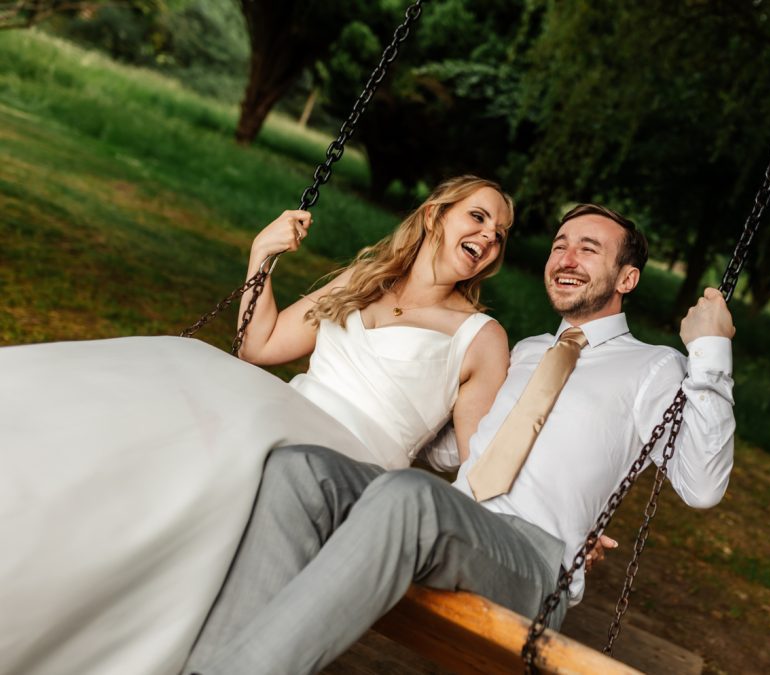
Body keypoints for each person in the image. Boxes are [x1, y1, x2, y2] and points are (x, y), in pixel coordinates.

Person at [184, 203, 737, 675]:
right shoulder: (522, 353)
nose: (565, 259)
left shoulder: (655, 368)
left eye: (589, 249)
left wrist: (710, 352)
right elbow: (449, 444)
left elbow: (703, 484)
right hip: (454, 522)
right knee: (298, 471)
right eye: (560, 245)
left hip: (531, 560)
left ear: (627, 278)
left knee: (408, 497)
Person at [0, 176, 514, 675]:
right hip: (286, 413)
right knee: (175, 370)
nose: (489, 235)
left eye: (501, 232)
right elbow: (260, 344)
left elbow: (480, 459)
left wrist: (522, 521)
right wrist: (261, 256)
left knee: (215, 423)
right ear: (434, 215)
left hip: (346, 463)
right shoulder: (366, 280)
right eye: (478, 215)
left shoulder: (480, 336)